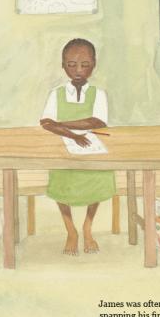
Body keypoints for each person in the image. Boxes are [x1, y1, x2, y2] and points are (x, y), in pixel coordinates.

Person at [40, 39, 114, 256]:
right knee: (62, 179)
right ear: (63, 66)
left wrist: (61, 125)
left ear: (94, 64)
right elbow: (45, 123)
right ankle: (71, 230)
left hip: (92, 148)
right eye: (72, 65)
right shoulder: (57, 93)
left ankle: (87, 228)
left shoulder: (98, 94)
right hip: (64, 151)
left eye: (85, 64)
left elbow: (97, 122)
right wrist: (72, 136)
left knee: (100, 176)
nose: (79, 70)